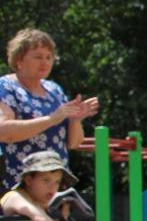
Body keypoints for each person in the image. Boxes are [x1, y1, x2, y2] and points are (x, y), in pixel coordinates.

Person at [0, 29, 98, 189]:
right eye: (38, 57)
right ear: (19, 60)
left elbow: (74, 143)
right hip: (21, 186)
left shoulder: (54, 90)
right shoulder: (5, 87)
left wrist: (75, 120)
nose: (45, 62)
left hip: (56, 187)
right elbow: (4, 132)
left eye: (49, 57)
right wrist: (51, 119)